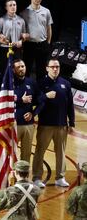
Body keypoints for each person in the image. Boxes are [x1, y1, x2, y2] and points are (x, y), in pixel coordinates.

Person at [32, 57, 75, 188]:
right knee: (40, 151)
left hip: (62, 125)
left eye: (57, 67)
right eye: (52, 67)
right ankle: (37, 177)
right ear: (47, 68)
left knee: (61, 152)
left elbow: (70, 105)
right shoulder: (41, 83)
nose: (55, 69)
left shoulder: (66, 84)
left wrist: (71, 123)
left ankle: (60, 177)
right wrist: (45, 96)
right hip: (45, 125)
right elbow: (35, 100)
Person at [20, 0, 52, 80]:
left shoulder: (46, 11)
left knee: (41, 70)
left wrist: (48, 42)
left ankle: (40, 91)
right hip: (29, 45)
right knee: (27, 68)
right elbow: (21, 30)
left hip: (42, 44)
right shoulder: (24, 12)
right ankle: (25, 88)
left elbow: (49, 28)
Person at [12, 59, 39, 164]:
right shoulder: (9, 84)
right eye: (18, 67)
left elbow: (41, 101)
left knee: (26, 154)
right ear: (13, 70)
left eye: (22, 66)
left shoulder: (31, 82)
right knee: (11, 153)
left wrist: (33, 113)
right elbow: (4, 102)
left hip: (28, 125)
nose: (21, 69)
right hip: (14, 124)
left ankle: (24, 177)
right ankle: (11, 177)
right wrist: (20, 100)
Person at [0, 0, 27, 73]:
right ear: (6, 7)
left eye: (14, 5)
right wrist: (2, 41)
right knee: (3, 71)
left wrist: (21, 41)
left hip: (17, 50)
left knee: (17, 71)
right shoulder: (2, 20)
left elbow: (23, 36)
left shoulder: (21, 20)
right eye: (10, 5)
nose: (13, 7)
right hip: (4, 50)